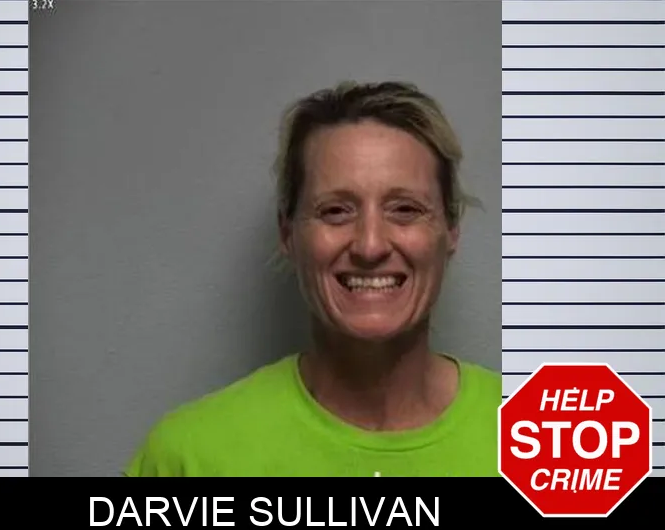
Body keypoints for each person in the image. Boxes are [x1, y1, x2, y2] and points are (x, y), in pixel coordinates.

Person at [125, 80, 501, 477]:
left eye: (405, 209)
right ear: (288, 233)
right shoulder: (187, 457)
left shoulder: (540, 439)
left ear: (451, 230)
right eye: (335, 211)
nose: (370, 245)